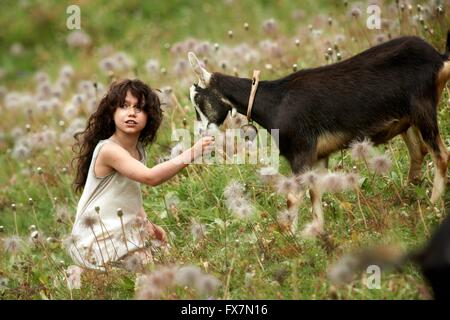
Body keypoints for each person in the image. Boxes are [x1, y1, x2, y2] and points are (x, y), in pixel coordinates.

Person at [68, 79, 214, 270]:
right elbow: (151, 177)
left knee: (166, 253)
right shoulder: (108, 150)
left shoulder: (138, 151)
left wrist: (148, 226)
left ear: (149, 117)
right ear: (111, 114)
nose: (131, 113)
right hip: (95, 238)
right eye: (124, 106)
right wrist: (192, 152)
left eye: (139, 108)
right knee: (152, 265)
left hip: (118, 231)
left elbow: (129, 194)